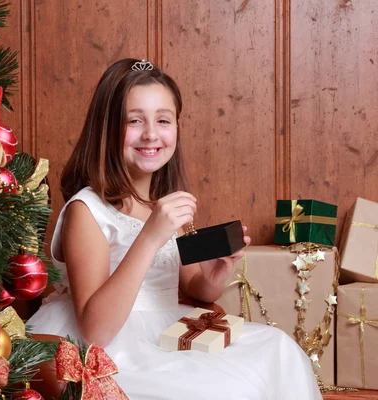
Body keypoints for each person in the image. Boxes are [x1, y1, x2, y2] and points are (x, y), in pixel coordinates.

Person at [26, 58, 322, 399]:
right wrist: (150, 236)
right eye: (134, 121)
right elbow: (96, 330)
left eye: (163, 120)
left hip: (168, 328)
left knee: (279, 349)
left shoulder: (160, 202)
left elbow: (191, 286)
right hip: (115, 347)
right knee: (224, 389)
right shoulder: (86, 211)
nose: (151, 133)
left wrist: (213, 276)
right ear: (107, 130)